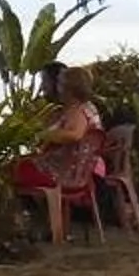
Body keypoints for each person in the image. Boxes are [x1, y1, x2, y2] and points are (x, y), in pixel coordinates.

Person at [14, 62, 106, 245]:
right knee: (21, 165)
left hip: (63, 172)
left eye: (61, 84)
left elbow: (75, 135)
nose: (57, 87)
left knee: (10, 171)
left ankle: (30, 225)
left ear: (69, 88)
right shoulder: (88, 108)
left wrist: (45, 134)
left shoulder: (77, 111)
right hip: (78, 170)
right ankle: (48, 225)